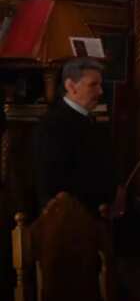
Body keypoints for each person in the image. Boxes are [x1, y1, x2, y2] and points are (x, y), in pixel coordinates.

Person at [33, 57, 125, 218]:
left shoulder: (89, 120)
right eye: (93, 85)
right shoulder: (53, 125)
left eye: (100, 84)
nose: (100, 91)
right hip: (70, 220)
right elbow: (52, 183)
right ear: (71, 86)